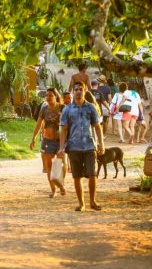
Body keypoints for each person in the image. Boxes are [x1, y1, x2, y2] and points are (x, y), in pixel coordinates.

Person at [58, 81, 105, 211]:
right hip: (73, 147)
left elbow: (97, 127)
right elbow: (64, 129)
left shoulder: (91, 108)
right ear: (73, 92)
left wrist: (101, 144)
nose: (78, 91)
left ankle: (92, 201)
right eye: (76, 89)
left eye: (80, 89)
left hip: (89, 146)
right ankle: (81, 203)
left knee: (92, 174)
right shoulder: (67, 109)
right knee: (76, 176)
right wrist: (61, 147)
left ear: (85, 91)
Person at [29, 88, 66, 197]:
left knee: (62, 164)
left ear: (56, 96)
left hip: (60, 141)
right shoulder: (44, 109)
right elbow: (38, 124)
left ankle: (60, 184)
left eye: (50, 95)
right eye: (47, 95)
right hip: (47, 140)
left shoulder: (63, 108)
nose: (48, 97)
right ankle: (53, 190)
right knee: (49, 166)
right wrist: (33, 138)